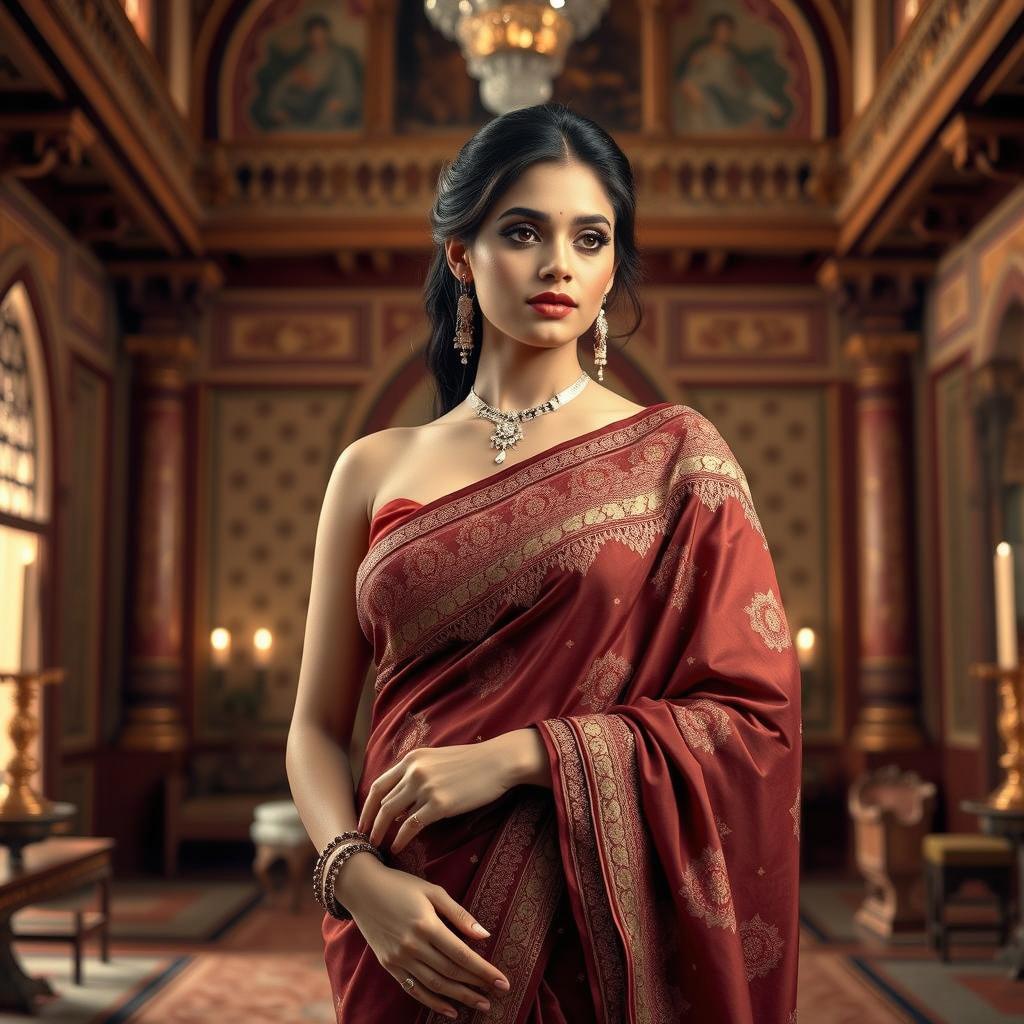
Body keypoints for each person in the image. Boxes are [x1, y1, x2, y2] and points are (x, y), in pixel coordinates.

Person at [287, 101, 802, 1022]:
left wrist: (525, 756)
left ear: (612, 267)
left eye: (590, 236)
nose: (558, 262)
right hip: (402, 923)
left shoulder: (677, 457)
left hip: (584, 922)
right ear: (461, 253)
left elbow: (751, 720)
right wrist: (356, 883)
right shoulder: (371, 467)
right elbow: (316, 732)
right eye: (522, 230)